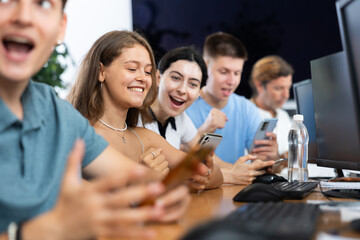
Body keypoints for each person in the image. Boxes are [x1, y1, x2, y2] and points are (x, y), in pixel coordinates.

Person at [0, 1, 192, 239]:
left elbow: (139, 182)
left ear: (60, 28)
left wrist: (164, 193)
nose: (24, 17)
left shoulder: (58, 113)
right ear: (102, 71)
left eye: (43, 4)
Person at [67, 31, 223, 190]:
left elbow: (215, 175)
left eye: (147, 72)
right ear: (101, 72)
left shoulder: (145, 137)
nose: (143, 78)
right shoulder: (82, 136)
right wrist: (149, 179)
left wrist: (203, 174)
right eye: (132, 68)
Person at [143, 46, 273, 185]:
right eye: (175, 78)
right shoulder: (136, 117)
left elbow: (211, 160)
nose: (182, 90)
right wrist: (231, 175)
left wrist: (249, 171)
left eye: (193, 84)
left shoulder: (180, 118)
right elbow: (184, 172)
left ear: (199, 91)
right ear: (158, 77)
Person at [186, 32, 278, 184]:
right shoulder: (184, 105)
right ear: (205, 66)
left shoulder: (246, 108)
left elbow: (259, 163)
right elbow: (179, 161)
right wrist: (204, 130)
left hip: (236, 193)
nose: (232, 81)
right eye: (224, 72)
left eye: (237, 73)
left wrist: (271, 157)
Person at [250, 55, 294, 159]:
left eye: (288, 88)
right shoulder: (248, 114)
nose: (286, 95)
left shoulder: (283, 115)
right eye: (279, 88)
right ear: (259, 85)